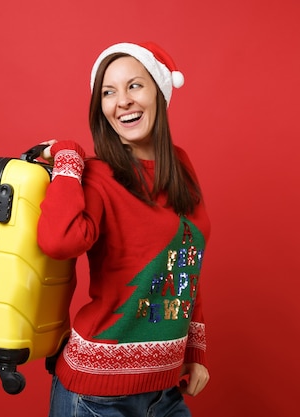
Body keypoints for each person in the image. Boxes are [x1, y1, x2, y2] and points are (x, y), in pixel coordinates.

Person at [37, 41, 211, 417]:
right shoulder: (98, 175)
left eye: (135, 85)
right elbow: (57, 241)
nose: (123, 101)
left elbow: (185, 263)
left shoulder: (180, 167)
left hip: (165, 392)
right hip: (96, 397)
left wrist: (194, 353)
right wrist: (69, 158)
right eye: (109, 92)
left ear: (159, 93)